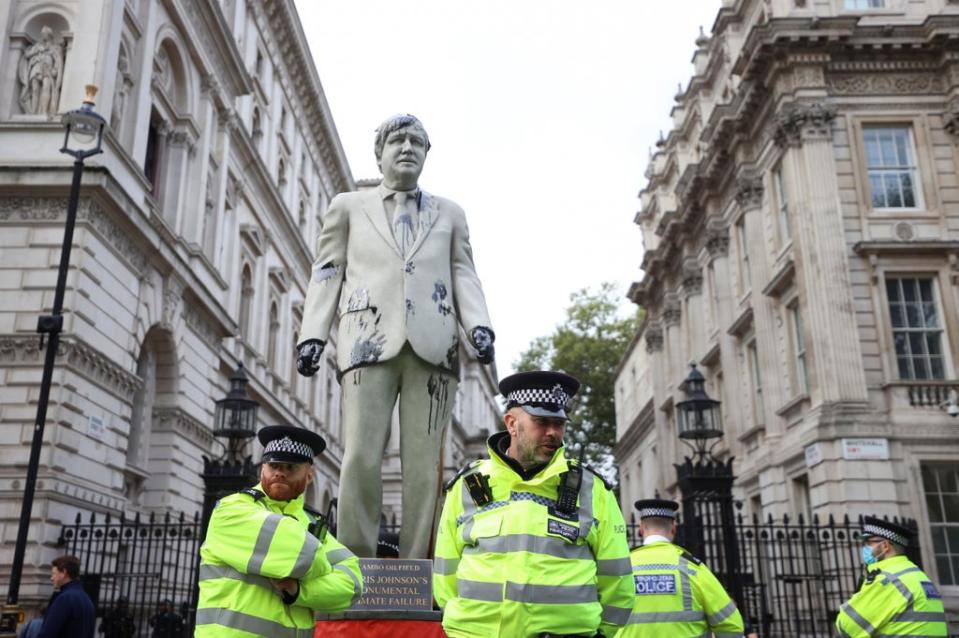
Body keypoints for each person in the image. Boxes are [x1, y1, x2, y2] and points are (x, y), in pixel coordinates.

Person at [296, 113, 495, 558]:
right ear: (380, 153)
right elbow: (328, 271)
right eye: (398, 141)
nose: (407, 148)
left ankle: (417, 567)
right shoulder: (348, 206)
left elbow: (464, 272)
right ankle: (356, 561)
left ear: (426, 154)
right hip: (366, 342)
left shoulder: (451, 213)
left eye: (417, 142)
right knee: (360, 457)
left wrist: (478, 325)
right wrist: (313, 333)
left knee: (425, 467)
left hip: (434, 347)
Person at [433, 370, 634, 638]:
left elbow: (618, 580)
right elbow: (445, 576)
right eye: (541, 422)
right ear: (511, 423)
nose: (553, 432)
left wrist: (601, 633)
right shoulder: (468, 486)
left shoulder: (592, 489)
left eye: (559, 423)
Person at [196, 425, 364, 637]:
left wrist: (300, 591)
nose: (279, 473)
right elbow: (302, 554)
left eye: (290, 467)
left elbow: (354, 584)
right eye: (274, 465)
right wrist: (324, 568)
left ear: (309, 476)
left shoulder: (312, 523)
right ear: (262, 470)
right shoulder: (231, 509)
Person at [617, 499, 744, 637]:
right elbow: (732, 626)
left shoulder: (621, 568)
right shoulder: (693, 568)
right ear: (674, 528)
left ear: (641, 528)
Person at [835, 516, 947, 637]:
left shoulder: (888, 581)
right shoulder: (917, 575)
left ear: (885, 546)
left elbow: (847, 627)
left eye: (868, 543)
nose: (864, 548)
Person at [37, 555, 94, 638]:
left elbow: (47, 634)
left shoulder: (64, 599)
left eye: (53, 574)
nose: (51, 578)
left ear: (64, 572)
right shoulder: (86, 598)